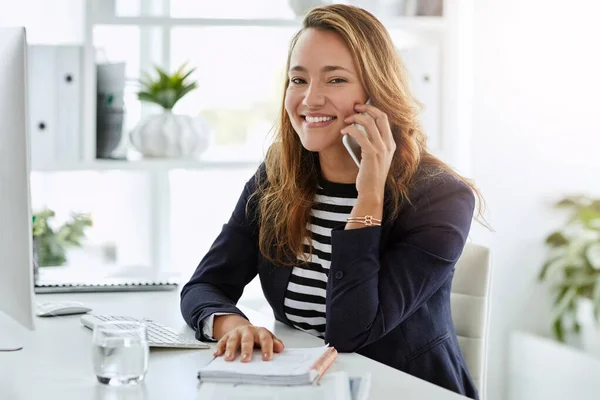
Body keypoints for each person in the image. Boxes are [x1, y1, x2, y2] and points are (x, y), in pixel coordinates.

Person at [181, 4, 483, 399]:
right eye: (298, 79)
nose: (310, 99)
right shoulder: (278, 176)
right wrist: (232, 325)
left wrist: (369, 194)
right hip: (308, 389)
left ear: (377, 93)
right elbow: (204, 285)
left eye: (336, 79)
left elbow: (351, 332)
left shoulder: (440, 198)